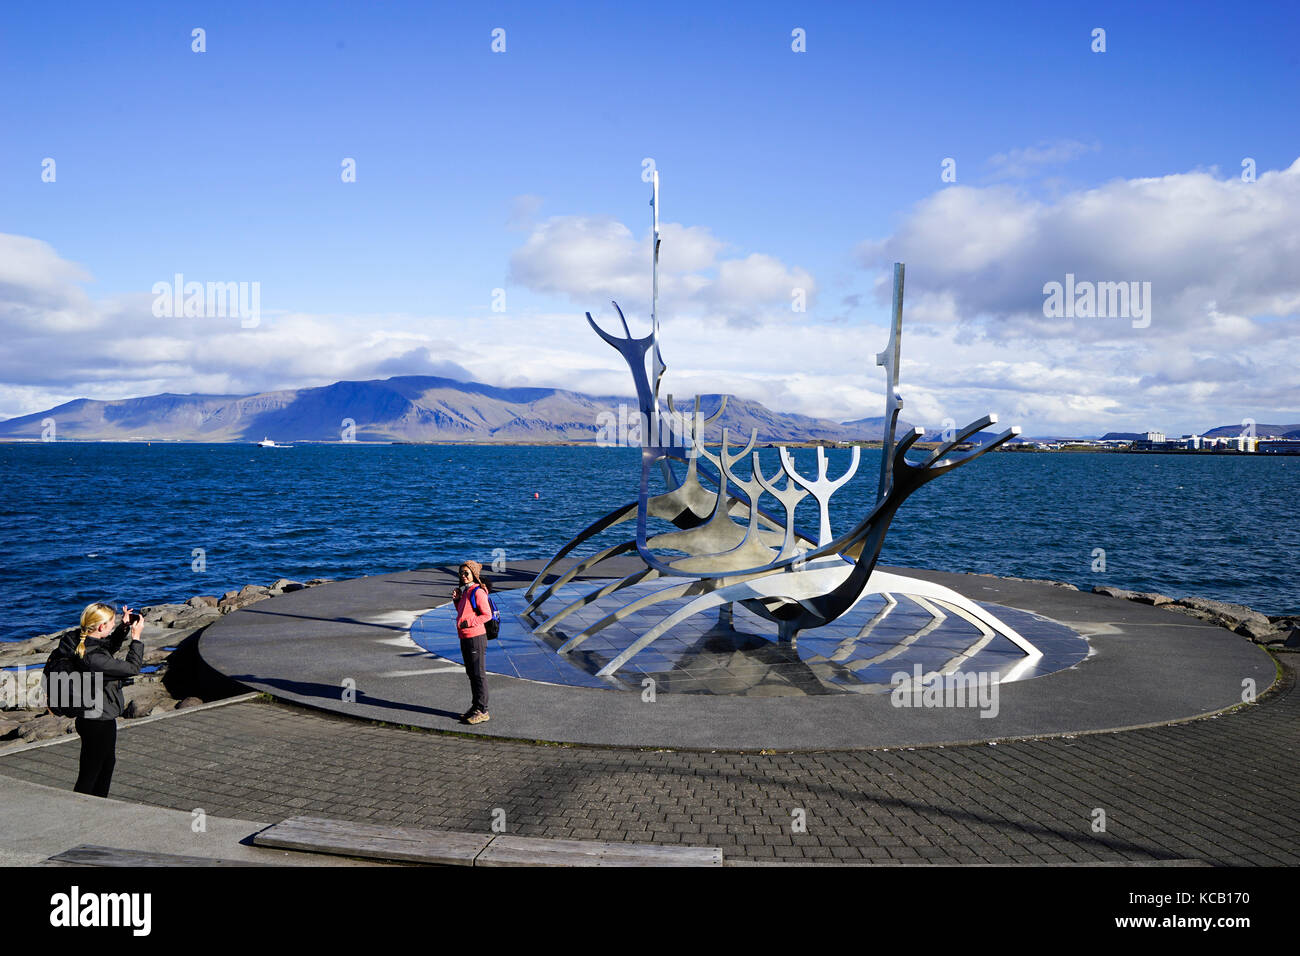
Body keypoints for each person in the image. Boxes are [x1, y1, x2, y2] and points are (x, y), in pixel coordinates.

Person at [57, 603, 145, 797]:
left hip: (92, 716)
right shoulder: (92, 658)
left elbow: (107, 648)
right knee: (91, 773)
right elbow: (132, 668)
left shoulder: (80, 641)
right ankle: (83, 809)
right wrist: (136, 639)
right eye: (111, 623)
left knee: (104, 764)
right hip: (98, 719)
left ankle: (96, 806)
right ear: (100, 627)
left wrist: (123, 628)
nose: (113, 626)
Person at [452, 561, 493, 724]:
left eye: (466, 573)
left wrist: (468, 623)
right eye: (461, 573)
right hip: (465, 637)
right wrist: (457, 601)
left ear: (474, 574)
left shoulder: (478, 592)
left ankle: (483, 710)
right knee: (472, 674)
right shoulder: (466, 591)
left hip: (476, 638)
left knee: (479, 674)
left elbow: (487, 615)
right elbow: (464, 613)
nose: (463, 575)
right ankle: (475, 706)